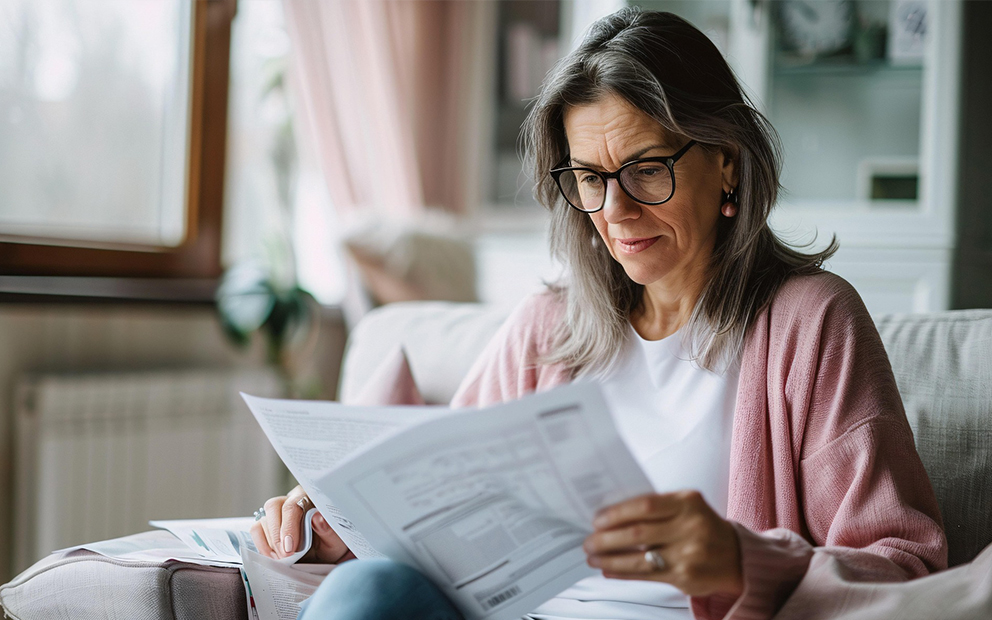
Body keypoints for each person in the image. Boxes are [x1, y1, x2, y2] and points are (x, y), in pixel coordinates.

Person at [251, 8, 947, 620]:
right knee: (368, 592)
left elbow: (907, 568)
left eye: (647, 168)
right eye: (589, 178)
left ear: (727, 162)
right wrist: (341, 521)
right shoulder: (544, 326)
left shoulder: (811, 322)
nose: (615, 212)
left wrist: (740, 562)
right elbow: (432, 514)